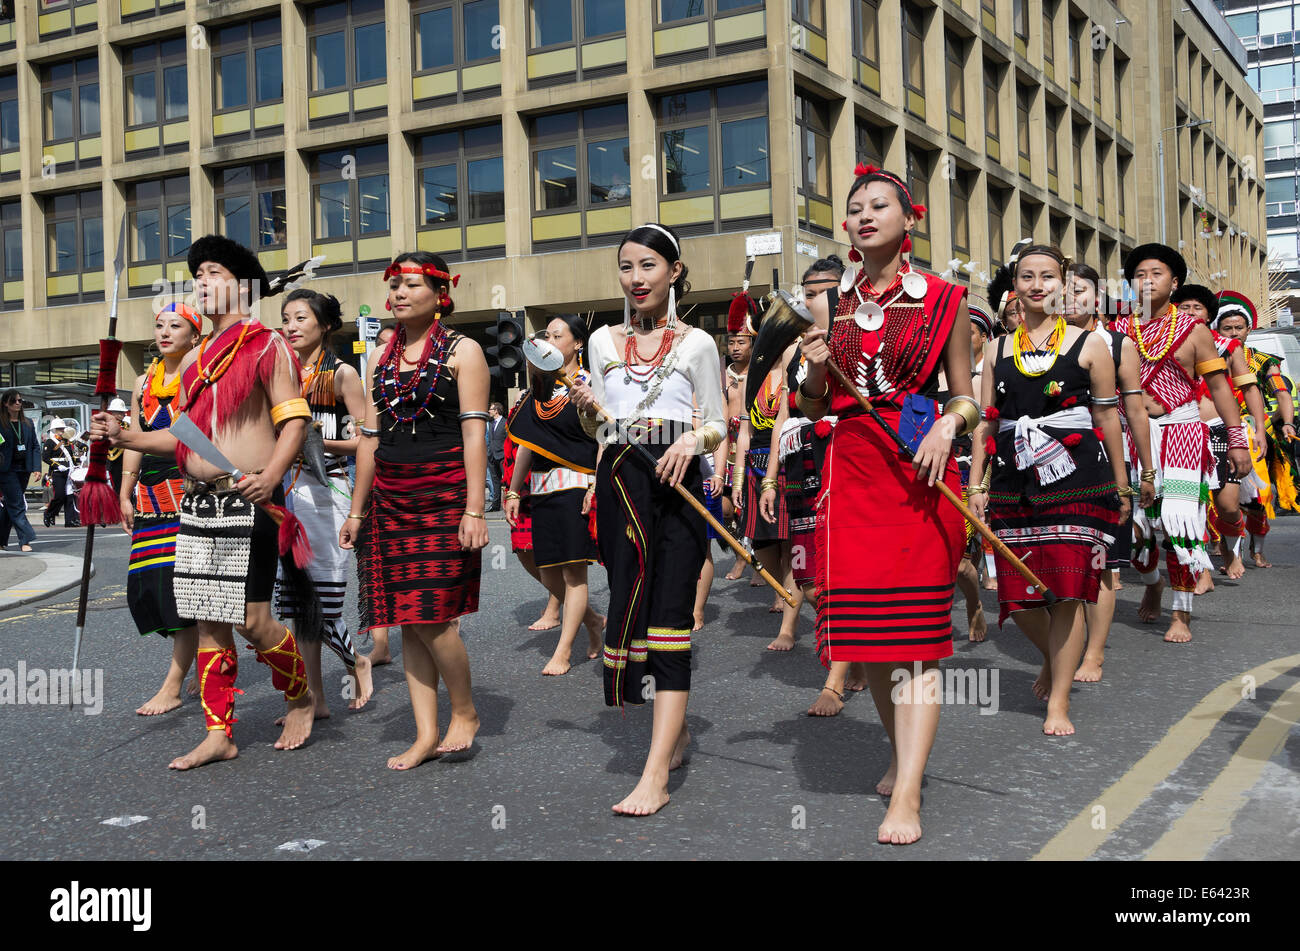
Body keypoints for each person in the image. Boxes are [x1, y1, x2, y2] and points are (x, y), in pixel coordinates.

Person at [91, 233, 322, 769]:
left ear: (243, 286)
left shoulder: (268, 345)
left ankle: (301, 696)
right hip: (197, 505)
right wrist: (123, 435)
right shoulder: (196, 358)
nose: (201, 282)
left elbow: (295, 419)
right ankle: (219, 732)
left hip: (248, 499)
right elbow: (179, 438)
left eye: (213, 273)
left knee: (251, 622)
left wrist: (271, 476)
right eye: (198, 274)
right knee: (209, 621)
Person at [799, 164, 974, 844]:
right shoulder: (829, 304)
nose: (865, 214)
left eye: (880, 204)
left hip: (919, 474)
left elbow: (963, 394)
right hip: (853, 477)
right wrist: (814, 367)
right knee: (871, 644)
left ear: (910, 219)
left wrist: (947, 424)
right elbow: (813, 401)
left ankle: (907, 792)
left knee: (920, 645)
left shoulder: (945, 298)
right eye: (855, 208)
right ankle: (901, 754)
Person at [569, 222, 725, 816]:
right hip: (619, 482)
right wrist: (588, 412)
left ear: (674, 272)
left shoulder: (698, 344)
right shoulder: (603, 342)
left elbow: (717, 422)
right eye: (627, 267)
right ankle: (673, 731)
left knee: (669, 617)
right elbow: (599, 429)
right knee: (632, 604)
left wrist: (695, 442)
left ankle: (655, 772)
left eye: (648, 267)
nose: (636, 278)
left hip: (676, 479)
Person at [969, 246, 1129, 738]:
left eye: (1047, 277)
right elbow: (986, 423)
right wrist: (978, 483)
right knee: (1017, 597)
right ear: (1014, 285)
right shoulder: (996, 349)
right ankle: (1054, 658)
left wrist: (1123, 485)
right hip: (1014, 477)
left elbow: (1107, 417)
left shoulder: (1090, 344)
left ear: (1062, 283)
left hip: (1078, 477)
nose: (1037, 285)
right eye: (1026, 277)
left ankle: (1058, 700)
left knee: (1066, 593)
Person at [340, 251, 489, 770]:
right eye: (395, 285)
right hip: (391, 498)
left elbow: (475, 432)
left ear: (440, 292)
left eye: (412, 284)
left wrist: (475, 508)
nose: (401, 294)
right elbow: (369, 439)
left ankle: (465, 712)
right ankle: (425, 732)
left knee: (433, 618)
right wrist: (357, 512)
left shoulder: (464, 351)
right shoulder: (382, 356)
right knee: (405, 620)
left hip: (444, 497)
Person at [1114, 245, 1250, 643]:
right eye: (1139, 274)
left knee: (1179, 528)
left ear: (1174, 283)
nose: (1147, 280)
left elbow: (1220, 387)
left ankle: (1181, 612)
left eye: (1156, 273)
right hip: (1131, 437)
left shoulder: (1196, 331)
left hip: (1182, 435)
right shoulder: (1117, 331)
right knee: (1138, 531)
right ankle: (1153, 582)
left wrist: (1238, 440)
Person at [279, 289, 375, 717]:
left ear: (325, 324)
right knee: (298, 604)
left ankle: (357, 659)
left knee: (326, 599)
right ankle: (314, 696)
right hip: (285, 492)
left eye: (301, 317)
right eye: (286, 318)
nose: (291, 326)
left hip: (327, 492)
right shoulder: (278, 372)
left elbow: (366, 441)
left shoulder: (342, 375)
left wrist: (315, 439)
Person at [1063, 263, 1153, 682]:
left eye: (1078, 290)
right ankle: (1061, 649)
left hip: (1101, 462)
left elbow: (1133, 410)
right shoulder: (1034, 344)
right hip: (1046, 467)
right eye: (1060, 290)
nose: (1067, 298)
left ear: (1097, 297)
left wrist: (1145, 473)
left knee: (1100, 563)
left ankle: (1094, 653)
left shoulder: (1118, 345)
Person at [504, 315, 606, 675]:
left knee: (574, 575)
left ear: (578, 343)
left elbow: (604, 439)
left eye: (557, 335)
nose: (549, 339)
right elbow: (527, 446)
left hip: (577, 486)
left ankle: (563, 652)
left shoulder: (591, 386)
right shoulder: (539, 390)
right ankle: (593, 621)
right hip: (541, 489)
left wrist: (597, 484)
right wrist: (513, 490)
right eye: (546, 334)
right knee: (549, 575)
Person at [117, 303, 202, 716]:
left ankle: (173, 682)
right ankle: (203, 660)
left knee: (181, 588)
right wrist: (124, 489)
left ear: (194, 335)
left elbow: (196, 436)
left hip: (188, 487)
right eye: (160, 325)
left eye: (176, 325)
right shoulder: (141, 381)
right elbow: (134, 437)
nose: (165, 331)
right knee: (151, 584)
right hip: (150, 495)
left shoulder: (198, 374)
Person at [1170, 285, 1267, 586]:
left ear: (1208, 314)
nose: (1190, 313)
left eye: (1197, 308)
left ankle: (1228, 545)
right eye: (1184, 307)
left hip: (1219, 430)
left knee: (1226, 505)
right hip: (1180, 431)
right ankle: (1202, 569)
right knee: (1189, 504)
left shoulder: (1227, 346)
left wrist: (1259, 431)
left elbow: (1249, 389)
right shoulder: (1161, 347)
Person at [1212, 290, 1299, 567]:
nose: (1234, 333)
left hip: (1253, 435)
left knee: (1259, 498)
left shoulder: (1263, 361)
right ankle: (1228, 550)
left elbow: (1282, 393)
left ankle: (1257, 550)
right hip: (1214, 430)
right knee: (1219, 496)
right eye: (1228, 328)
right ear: (1217, 329)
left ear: (1249, 329)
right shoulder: (1208, 358)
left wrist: (1287, 423)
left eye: (1240, 327)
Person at [503, 390, 563, 631]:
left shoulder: (575, 384)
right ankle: (566, 595)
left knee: (552, 549)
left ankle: (555, 605)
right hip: (519, 477)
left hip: (550, 477)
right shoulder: (523, 394)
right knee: (522, 547)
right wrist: (511, 488)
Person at [720, 301, 756, 581]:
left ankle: (755, 561)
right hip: (727, 446)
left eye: (741, 341)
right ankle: (740, 554)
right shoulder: (722, 374)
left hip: (754, 444)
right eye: (731, 342)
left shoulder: (761, 370)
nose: (735, 347)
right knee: (726, 507)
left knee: (752, 505)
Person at [0, 390, 39, 552]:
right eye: (14, 401)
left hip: (24, 469)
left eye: (20, 400)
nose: (18, 403)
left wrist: (37, 468)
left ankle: (0, 539)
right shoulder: (1, 424)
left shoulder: (28, 423)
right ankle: (26, 539)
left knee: (10, 505)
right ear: (5, 404)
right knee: (17, 504)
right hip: (5, 470)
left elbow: (35, 447)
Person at [42, 420, 80, 528]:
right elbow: (45, 457)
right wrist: (57, 465)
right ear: (54, 430)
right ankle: (49, 513)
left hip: (68, 471)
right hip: (57, 472)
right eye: (59, 429)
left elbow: (70, 457)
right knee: (59, 496)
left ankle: (69, 521)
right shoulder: (50, 442)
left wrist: (78, 462)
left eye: (62, 429)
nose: (61, 431)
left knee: (69, 496)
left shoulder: (66, 442)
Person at [486, 401, 506, 511]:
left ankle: (509, 502)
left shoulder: (505, 423)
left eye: (491, 409)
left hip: (502, 456)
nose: (489, 411)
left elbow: (508, 440)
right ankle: (495, 505)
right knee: (495, 481)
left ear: (496, 411)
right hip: (492, 456)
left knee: (507, 480)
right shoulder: (490, 423)